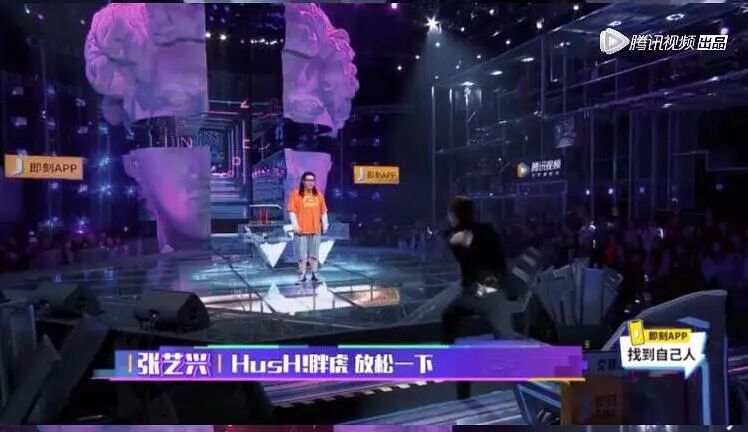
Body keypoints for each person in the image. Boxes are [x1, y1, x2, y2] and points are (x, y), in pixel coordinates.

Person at [287, 171, 329, 283]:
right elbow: (292, 211)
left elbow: (323, 211)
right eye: (308, 180)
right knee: (301, 255)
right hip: (301, 231)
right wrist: (295, 226)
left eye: (312, 180)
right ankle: (302, 275)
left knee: (314, 254)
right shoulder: (295, 194)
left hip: (315, 230)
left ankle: (315, 274)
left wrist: (325, 224)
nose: (311, 182)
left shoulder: (318, 195)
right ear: (303, 181)